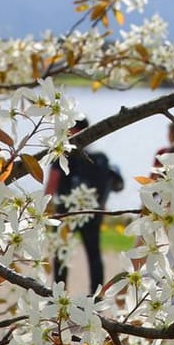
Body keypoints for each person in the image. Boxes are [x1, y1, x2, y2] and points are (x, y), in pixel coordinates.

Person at [46, 117, 123, 296]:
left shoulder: (63, 154)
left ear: (74, 130)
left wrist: (44, 207)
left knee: (62, 253)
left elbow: (52, 183)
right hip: (92, 212)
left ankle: (59, 293)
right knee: (94, 254)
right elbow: (109, 183)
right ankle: (96, 295)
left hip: (66, 213)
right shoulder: (99, 156)